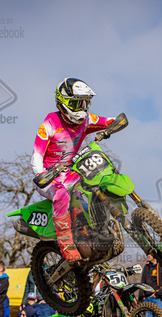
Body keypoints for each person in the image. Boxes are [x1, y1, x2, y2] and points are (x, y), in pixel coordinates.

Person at [31, 77, 115, 262]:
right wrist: (40, 174)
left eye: (85, 103)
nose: (82, 108)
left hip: (70, 173)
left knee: (94, 181)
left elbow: (107, 121)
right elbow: (36, 154)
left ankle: (96, 229)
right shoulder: (50, 123)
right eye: (77, 103)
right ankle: (66, 243)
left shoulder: (86, 120)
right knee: (61, 194)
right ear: (64, 103)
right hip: (49, 178)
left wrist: (116, 123)